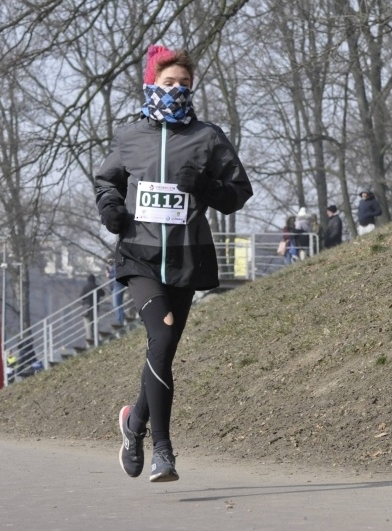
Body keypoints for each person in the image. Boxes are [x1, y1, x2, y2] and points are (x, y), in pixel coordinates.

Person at [95, 44, 253, 482]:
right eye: (169, 83)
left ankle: (133, 425)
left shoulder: (207, 137)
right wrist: (111, 208)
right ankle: (163, 452)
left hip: (185, 258)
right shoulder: (129, 136)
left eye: (185, 83)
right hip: (139, 255)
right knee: (161, 340)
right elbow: (107, 180)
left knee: (161, 352)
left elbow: (239, 193)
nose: (177, 89)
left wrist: (204, 185)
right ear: (151, 84)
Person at [80, 274, 105, 344]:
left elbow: (81, 296)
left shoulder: (85, 287)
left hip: (87, 309)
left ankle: (90, 339)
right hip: (95, 308)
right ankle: (94, 338)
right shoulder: (96, 287)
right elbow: (103, 293)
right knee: (94, 324)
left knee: (88, 325)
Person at [106, 257, 126, 326]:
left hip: (118, 286)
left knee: (116, 304)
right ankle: (121, 318)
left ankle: (120, 320)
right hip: (115, 287)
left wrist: (109, 275)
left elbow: (117, 274)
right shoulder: (113, 266)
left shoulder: (116, 264)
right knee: (118, 304)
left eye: (109, 259)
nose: (108, 261)